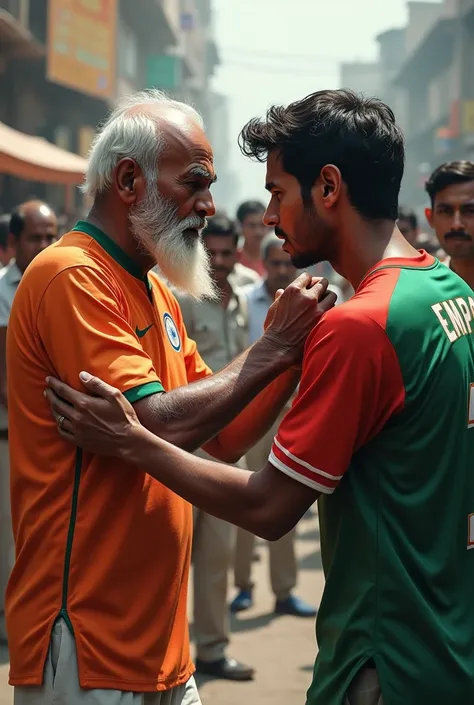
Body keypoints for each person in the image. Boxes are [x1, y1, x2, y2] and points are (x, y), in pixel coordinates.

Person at [46, 89, 474, 705]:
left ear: (328, 188)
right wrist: (278, 350)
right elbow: (223, 429)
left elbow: (272, 508)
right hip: (444, 644)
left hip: (386, 657)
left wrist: (134, 443)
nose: (269, 216)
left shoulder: (361, 325)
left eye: (277, 192)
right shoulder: (443, 289)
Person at [6, 89, 334, 705]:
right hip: (86, 638)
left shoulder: (153, 290)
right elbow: (162, 426)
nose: (208, 205)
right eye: (194, 183)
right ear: (129, 180)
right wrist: (272, 348)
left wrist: (291, 354)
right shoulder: (73, 275)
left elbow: (224, 435)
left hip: (157, 640)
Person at [173, 213, 254, 681]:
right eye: (213, 253)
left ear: (237, 252)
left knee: (217, 555)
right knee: (172, 554)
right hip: (186, 445)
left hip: (230, 444)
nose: (220, 262)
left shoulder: (240, 300)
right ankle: (169, 654)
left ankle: (211, 649)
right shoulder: (181, 300)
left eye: (228, 253)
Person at [231, 232, 316, 618]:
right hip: (252, 414)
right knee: (245, 499)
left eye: (288, 264)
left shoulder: (312, 306)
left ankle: (284, 590)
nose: (282, 271)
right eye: (275, 263)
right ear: (262, 264)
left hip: (293, 413)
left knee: (285, 502)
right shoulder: (246, 303)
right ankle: (244, 586)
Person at [0, 200, 57, 645]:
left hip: (53, 433)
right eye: (35, 238)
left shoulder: (60, 283)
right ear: (13, 243)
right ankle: (14, 630)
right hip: (12, 433)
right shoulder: (4, 291)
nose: (44, 245)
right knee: (11, 536)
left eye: (50, 236)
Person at [425, 160, 474, 288]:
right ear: (430, 218)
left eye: (470, 211)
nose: (456, 225)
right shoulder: (427, 289)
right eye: (445, 211)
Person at [236, 200, 268, 276]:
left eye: (262, 225)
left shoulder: (277, 261)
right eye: (252, 226)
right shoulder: (232, 258)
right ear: (240, 227)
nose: (258, 232)